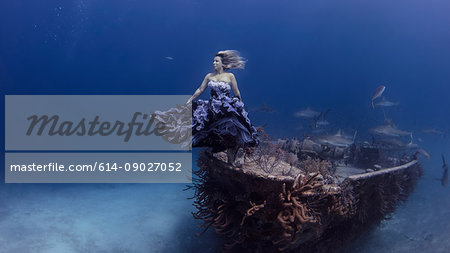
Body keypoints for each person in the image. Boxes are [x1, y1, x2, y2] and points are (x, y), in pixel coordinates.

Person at [185, 50, 259, 166]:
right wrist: (190, 100)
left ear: (223, 63)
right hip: (212, 107)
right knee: (208, 130)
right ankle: (214, 153)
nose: (214, 63)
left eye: (216, 61)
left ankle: (231, 159)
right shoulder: (209, 76)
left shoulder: (230, 76)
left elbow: (236, 92)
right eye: (213, 61)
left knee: (232, 133)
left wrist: (240, 106)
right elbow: (200, 89)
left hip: (226, 107)